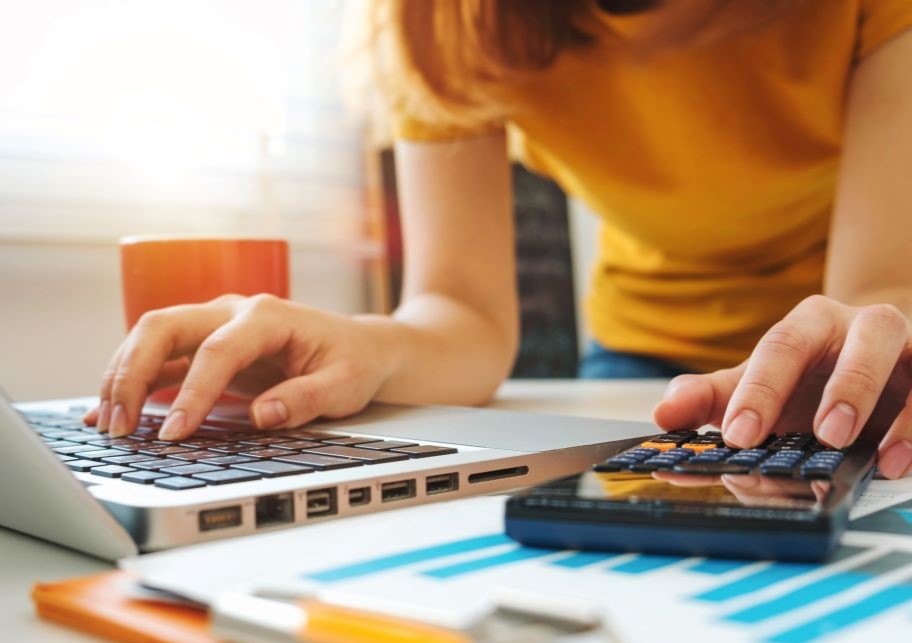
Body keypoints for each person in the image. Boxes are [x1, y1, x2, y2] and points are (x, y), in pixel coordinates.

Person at [86, 0, 912, 478]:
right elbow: (460, 309)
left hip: (855, 362)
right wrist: (367, 345)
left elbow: (879, 291)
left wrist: (870, 360)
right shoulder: (439, 21)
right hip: (638, 363)